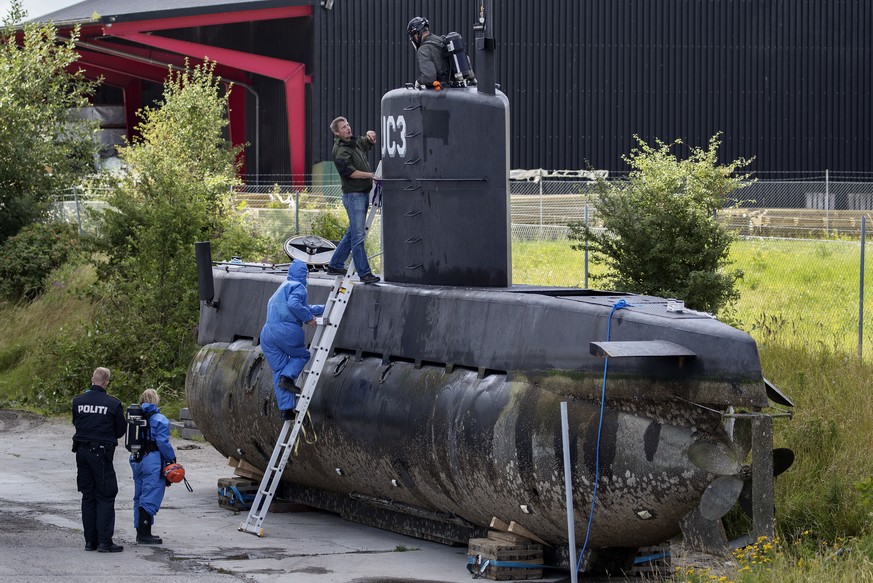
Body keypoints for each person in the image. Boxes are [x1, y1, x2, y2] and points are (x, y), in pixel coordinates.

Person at [260, 260, 326, 419]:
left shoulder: (282, 288)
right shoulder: (299, 286)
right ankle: (288, 377)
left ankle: (286, 410)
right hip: (286, 330)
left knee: (279, 369)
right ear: (304, 274)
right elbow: (294, 304)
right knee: (301, 355)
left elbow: (301, 306)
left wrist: (324, 308)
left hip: (268, 333)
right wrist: (309, 318)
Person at [72, 367, 126, 553]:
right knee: (105, 495)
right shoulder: (113, 404)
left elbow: (76, 422)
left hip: (82, 453)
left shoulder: (78, 401)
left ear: (92, 380)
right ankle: (104, 542)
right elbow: (120, 431)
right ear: (107, 382)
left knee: (88, 496)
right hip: (101, 455)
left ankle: (90, 541)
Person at [325, 116, 381, 285]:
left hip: (362, 194)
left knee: (352, 233)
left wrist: (372, 135)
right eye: (343, 127)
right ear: (336, 132)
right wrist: (370, 175)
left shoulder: (353, 143)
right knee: (358, 236)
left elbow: (367, 141)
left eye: (348, 125)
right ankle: (364, 273)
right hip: (354, 196)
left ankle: (335, 265)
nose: (348, 128)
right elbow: (350, 173)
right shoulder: (341, 151)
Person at [129, 388, 176, 545]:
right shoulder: (160, 420)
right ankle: (145, 534)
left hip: (136, 460)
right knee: (151, 496)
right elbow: (162, 442)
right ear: (156, 400)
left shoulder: (135, 417)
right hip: (152, 461)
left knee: (139, 496)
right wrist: (172, 459)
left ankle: (140, 532)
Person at [407, 17, 451, 89]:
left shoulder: (423, 49)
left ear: (416, 34)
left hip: (443, 93)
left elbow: (429, 77)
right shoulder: (441, 40)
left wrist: (419, 82)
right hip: (455, 88)